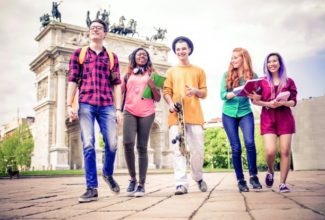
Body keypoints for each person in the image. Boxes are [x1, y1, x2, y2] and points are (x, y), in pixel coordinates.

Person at [67, 19, 122, 203]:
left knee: (113, 143)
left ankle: (107, 173)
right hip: (86, 104)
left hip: (107, 104)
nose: (95, 30)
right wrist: (69, 105)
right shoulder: (79, 54)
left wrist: (118, 109)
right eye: (92, 28)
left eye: (99, 28)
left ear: (105, 33)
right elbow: (73, 80)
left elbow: (116, 85)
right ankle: (91, 188)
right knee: (88, 143)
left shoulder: (112, 57)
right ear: (88, 32)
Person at [163, 36, 208, 195]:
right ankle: (181, 184)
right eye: (178, 49)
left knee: (198, 150)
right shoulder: (171, 71)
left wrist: (195, 91)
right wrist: (170, 104)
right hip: (176, 117)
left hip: (195, 116)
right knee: (178, 150)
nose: (181, 51)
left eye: (184, 48)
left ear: (189, 50)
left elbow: (204, 93)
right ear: (175, 52)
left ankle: (198, 177)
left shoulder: (199, 71)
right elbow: (166, 91)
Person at [251, 53, 297, 193]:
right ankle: (270, 170)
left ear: (280, 63)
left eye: (274, 61)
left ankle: (282, 183)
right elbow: (255, 100)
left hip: (285, 118)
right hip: (268, 118)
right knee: (270, 151)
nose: (272, 64)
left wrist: (284, 102)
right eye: (269, 62)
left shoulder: (289, 81)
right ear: (266, 65)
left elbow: (293, 102)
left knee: (285, 151)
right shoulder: (262, 82)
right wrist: (268, 103)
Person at [220, 48, 262, 192]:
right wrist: (237, 91)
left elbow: (257, 97)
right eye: (232, 58)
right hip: (228, 114)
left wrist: (254, 96)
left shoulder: (253, 76)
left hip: (245, 112)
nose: (233, 60)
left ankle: (254, 177)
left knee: (250, 143)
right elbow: (223, 95)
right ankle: (240, 180)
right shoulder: (226, 75)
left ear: (244, 58)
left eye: (236, 57)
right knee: (236, 147)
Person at [122, 48, 161, 197]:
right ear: (134, 58)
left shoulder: (153, 74)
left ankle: (141, 184)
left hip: (147, 113)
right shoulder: (127, 74)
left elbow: (157, 98)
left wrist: (152, 86)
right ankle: (132, 178)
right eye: (139, 54)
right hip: (129, 111)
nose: (142, 56)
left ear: (147, 58)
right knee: (127, 143)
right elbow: (120, 92)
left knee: (142, 147)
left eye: (145, 55)